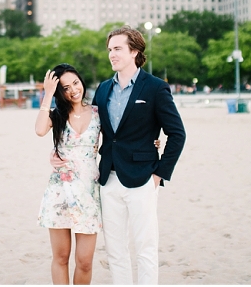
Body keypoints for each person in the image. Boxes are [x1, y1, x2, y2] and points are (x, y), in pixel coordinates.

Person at [51, 25, 186, 284]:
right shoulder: (103, 89)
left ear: (134, 51)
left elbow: (177, 134)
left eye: (118, 49)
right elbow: (83, 126)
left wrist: (159, 173)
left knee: (145, 248)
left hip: (143, 178)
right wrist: (56, 153)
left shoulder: (156, 88)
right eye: (110, 49)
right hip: (108, 179)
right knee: (115, 251)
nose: (112, 54)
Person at [37, 63, 162, 285]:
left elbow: (121, 132)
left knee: (84, 261)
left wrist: (149, 142)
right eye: (65, 88)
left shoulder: (97, 112)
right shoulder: (57, 116)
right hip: (60, 191)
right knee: (61, 257)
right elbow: (39, 130)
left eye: (75, 83)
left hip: (88, 192)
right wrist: (47, 95)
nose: (73, 90)